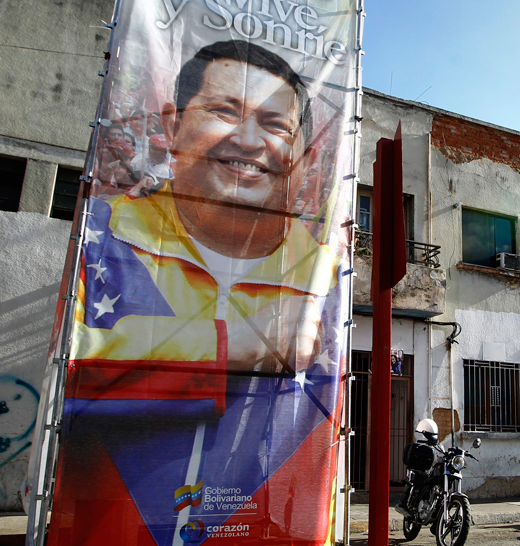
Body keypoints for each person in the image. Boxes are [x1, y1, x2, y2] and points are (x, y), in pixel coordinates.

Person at [52, 40, 341, 545]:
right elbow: (65, 379)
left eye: (276, 126)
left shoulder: (324, 277)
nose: (250, 141)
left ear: (299, 155)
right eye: (224, 111)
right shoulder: (102, 234)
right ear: (172, 125)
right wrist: (230, 345)